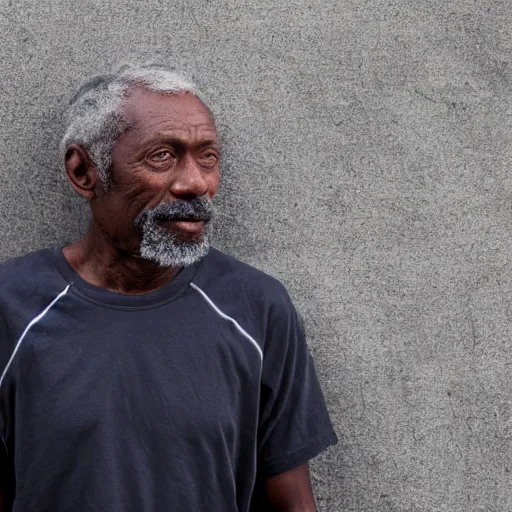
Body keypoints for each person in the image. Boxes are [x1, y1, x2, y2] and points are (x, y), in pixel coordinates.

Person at [0, 64, 337, 511]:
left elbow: (292, 503)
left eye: (208, 157)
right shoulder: (11, 305)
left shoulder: (256, 307)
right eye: (162, 155)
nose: (195, 182)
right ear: (85, 172)